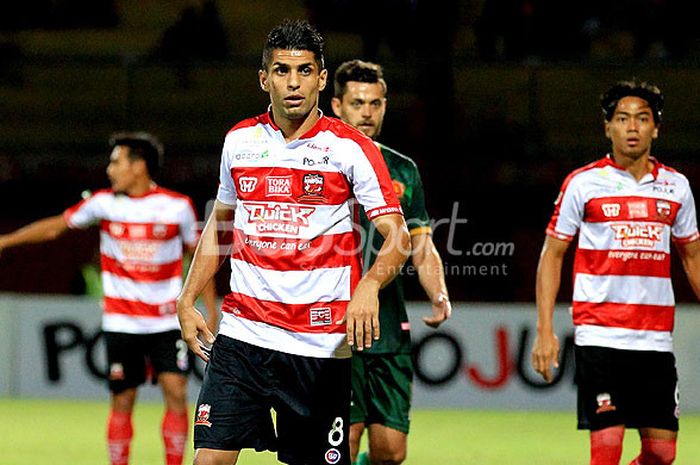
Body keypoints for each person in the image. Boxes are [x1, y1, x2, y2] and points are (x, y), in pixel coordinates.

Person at [176, 20, 410, 465]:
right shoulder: (239, 141)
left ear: (322, 79)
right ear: (264, 79)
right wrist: (187, 299)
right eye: (282, 70)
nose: (293, 83)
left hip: (319, 345)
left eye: (305, 71)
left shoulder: (352, 148)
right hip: (243, 335)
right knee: (209, 460)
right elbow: (220, 224)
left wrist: (369, 285)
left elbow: (397, 235)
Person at [0, 132, 219, 465]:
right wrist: (6, 241)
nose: (109, 170)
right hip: (122, 321)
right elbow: (55, 227)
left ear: (138, 166)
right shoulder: (103, 203)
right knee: (122, 400)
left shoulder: (177, 207)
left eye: (116, 162)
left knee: (176, 395)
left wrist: (210, 310)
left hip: (165, 321)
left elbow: (201, 257)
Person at [531, 79, 700, 465]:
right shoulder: (583, 183)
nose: (632, 127)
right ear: (607, 127)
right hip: (600, 335)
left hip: (655, 339)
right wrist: (544, 330)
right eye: (622, 119)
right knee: (606, 449)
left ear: (656, 127)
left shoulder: (677, 187)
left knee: (661, 453)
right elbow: (552, 254)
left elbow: (692, 256)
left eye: (642, 119)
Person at [330, 59, 451, 465]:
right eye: (357, 102)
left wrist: (438, 293)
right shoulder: (318, 162)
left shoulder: (403, 169)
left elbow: (421, 242)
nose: (367, 111)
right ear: (336, 106)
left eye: (376, 103)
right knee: (339, 446)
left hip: (388, 327)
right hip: (333, 328)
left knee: (390, 452)